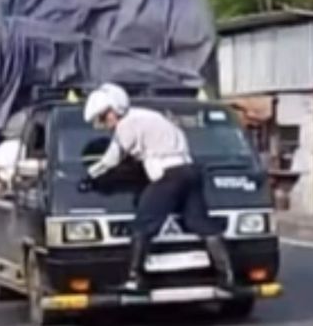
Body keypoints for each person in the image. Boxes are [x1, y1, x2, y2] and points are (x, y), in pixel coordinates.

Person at [81, 83, 234, 293]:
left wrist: (89, 176)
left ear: (115, 108)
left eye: (104, 116)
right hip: (190, 171)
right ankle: (227, 276)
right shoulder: (151, 116)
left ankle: (135, 279)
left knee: (143, 224)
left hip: (168, 176)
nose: (104, 123)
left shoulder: (127, 124)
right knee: (200, 223)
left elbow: (112, 158)